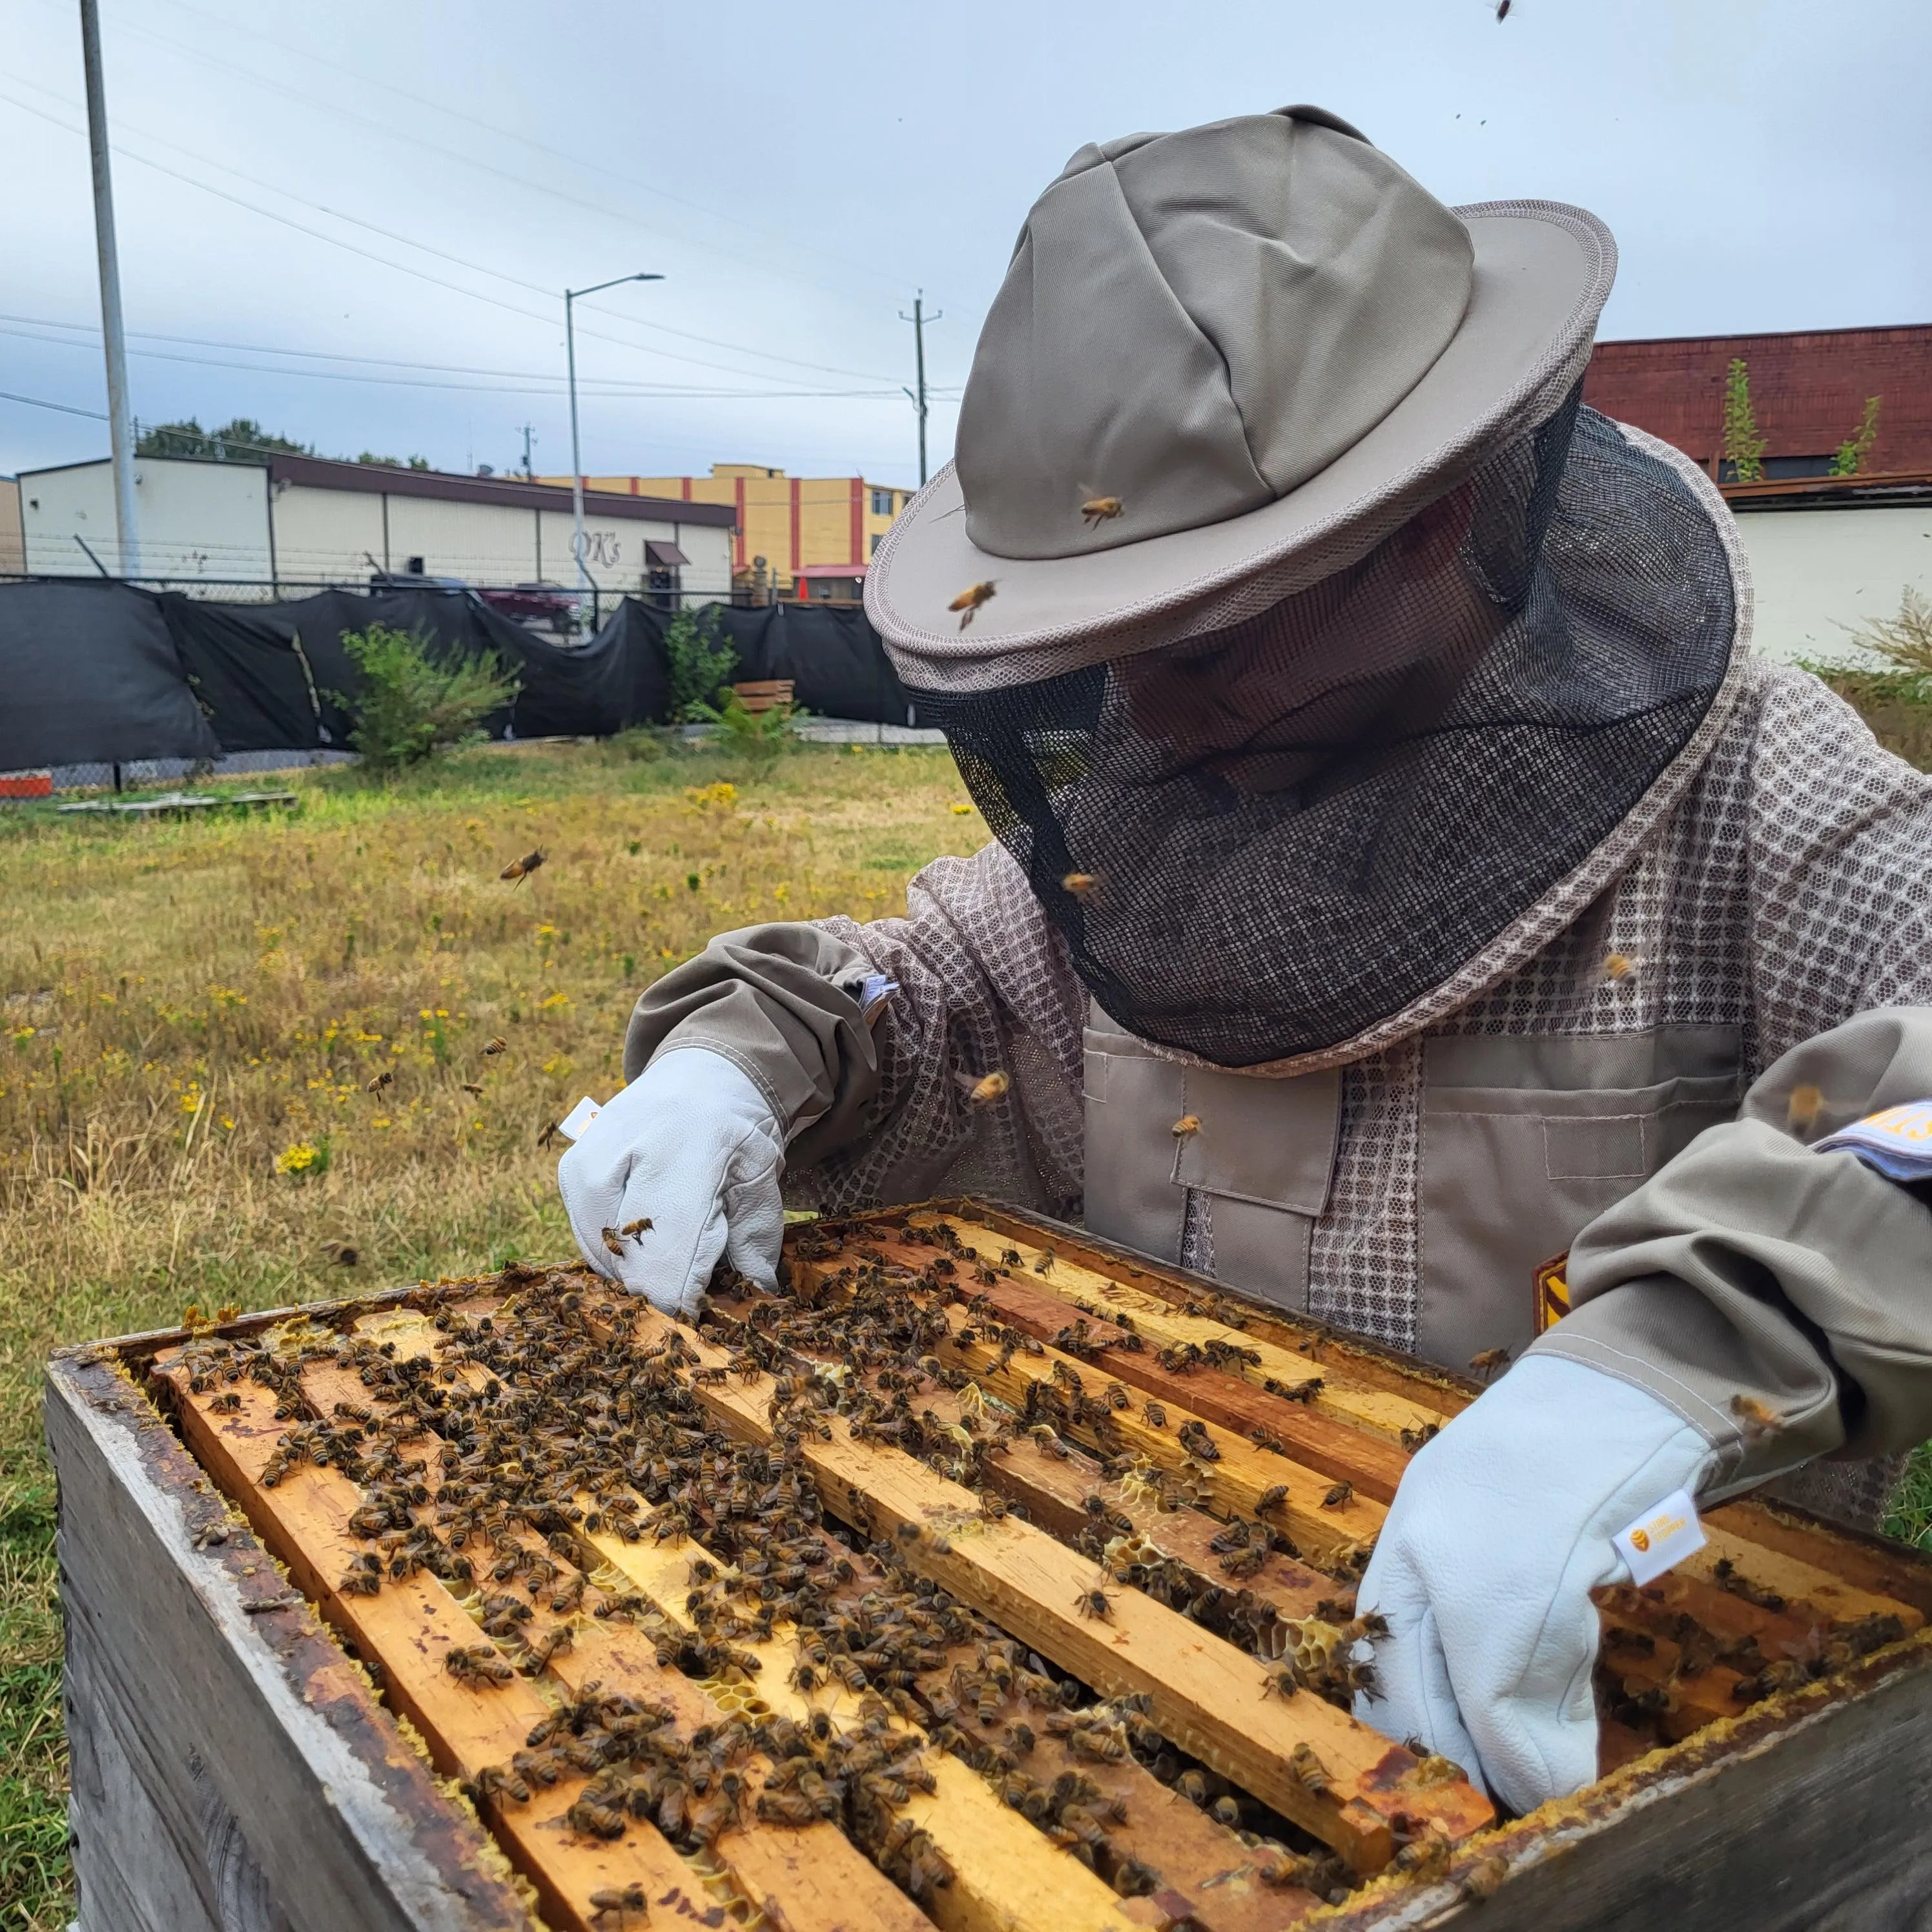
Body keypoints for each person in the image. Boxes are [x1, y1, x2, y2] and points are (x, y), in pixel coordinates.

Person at [560, 106, 1932, 1813]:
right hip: (1150, 1741)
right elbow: (925, 998)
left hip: (1625, 1774)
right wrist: (740, 1059)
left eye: (1199, 628)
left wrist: (1654, 1375)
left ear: (1431, 522)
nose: (1137, 707)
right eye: (1100, 643)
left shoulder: (1761, 808)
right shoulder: (1158, 822)